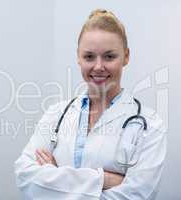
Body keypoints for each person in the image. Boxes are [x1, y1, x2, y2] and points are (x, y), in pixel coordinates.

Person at [14, 9, 166, 200]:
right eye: (89, 57)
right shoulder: (56, 114)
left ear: (126, 56)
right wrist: (104, 180)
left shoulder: (150, 125)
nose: (98, 66)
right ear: (78, 57)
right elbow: (26, 176)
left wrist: (55, 177)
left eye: (109, 56)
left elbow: (139, 195)